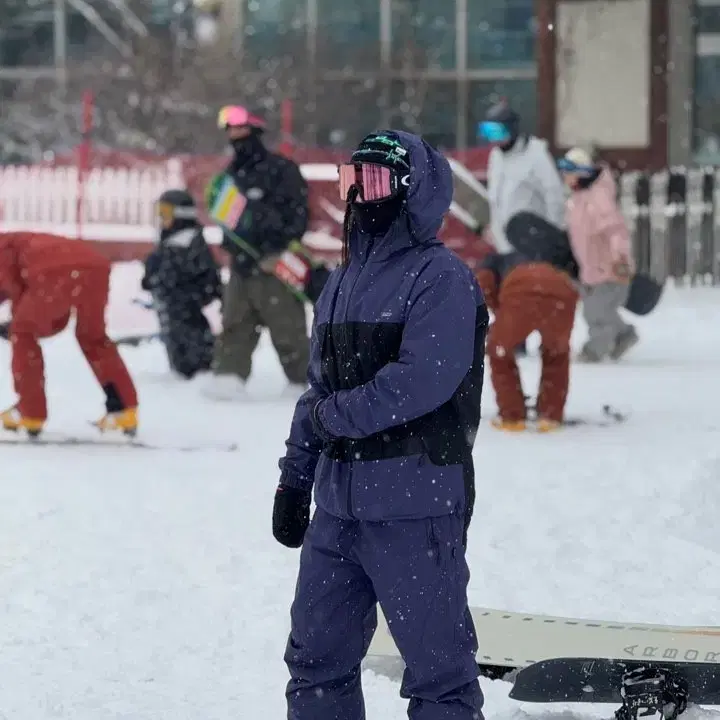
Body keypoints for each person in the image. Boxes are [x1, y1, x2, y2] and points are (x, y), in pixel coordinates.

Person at [272, 130, 488, 720]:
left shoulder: (440, 278)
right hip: (337, 511)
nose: (360, 198)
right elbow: (318, 390)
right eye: (351, 181)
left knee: (437, 672)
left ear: (411, 191)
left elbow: (421, 382)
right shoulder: (340, 282)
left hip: (415, 504)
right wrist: (295, 477)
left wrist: (331, 417)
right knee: (316, 662)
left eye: (374, 182)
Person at [203, 104, 311, 400]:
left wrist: (275, 246)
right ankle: (227, 383)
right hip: (241, 267)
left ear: (256, 127)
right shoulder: (228, 177)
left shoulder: (282, 170)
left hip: (274, 266)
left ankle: (307, 388)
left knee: (290, 335)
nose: (233, 133)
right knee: (234, 330)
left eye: (239, 126)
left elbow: (298, 217)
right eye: (229, 128)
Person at [0, 232, 138, 436]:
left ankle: (30, 412)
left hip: (52, 271)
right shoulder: (18, 242)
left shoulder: (4, 248)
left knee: (23, 332)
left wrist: (14, 325)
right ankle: (123, 409)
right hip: (95, 267)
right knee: (93, 337)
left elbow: (16, 289)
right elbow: (51, 314)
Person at [479, 101, 567, 357]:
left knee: (523, 292)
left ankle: (526, 339)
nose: (494, 140)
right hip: (504, 241)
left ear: (513, 130)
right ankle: (513, 337)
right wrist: (494, 231)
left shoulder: (536, 155)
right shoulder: (496, 157)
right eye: (488, 133)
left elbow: (554, 195)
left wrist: (553, 238)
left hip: (532, 240)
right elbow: (497, 199)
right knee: (499, 287)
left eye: (498, 133)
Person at [476, 250, 579, 432]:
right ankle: (550, 416)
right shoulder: (527, 258)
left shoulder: (488, 265)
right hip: (562, 289)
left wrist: (500, 316)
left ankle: (512, 417)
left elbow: (484, 285)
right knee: (557, 353)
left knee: (499, 351)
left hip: (520, 290)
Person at [558, 148, 638, 362]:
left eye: (569, 170)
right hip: (593, 269)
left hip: (611, 267)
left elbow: (615, 230)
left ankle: (595, 350)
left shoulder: (598, 197)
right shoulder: (578, 198)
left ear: (583, 172)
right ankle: (623, 335)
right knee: (600, 310)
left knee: (596, 312)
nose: (564, 176)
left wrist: (619, 257)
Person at [141, 189, 222, 379]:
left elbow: (209, 281)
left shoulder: (190, 243)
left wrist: (185, 292)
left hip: (188, 322)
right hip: (173, 318)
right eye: (160, 212)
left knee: (191, 362)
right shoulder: (169, 242)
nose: (161, 218)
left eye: (166, 212)